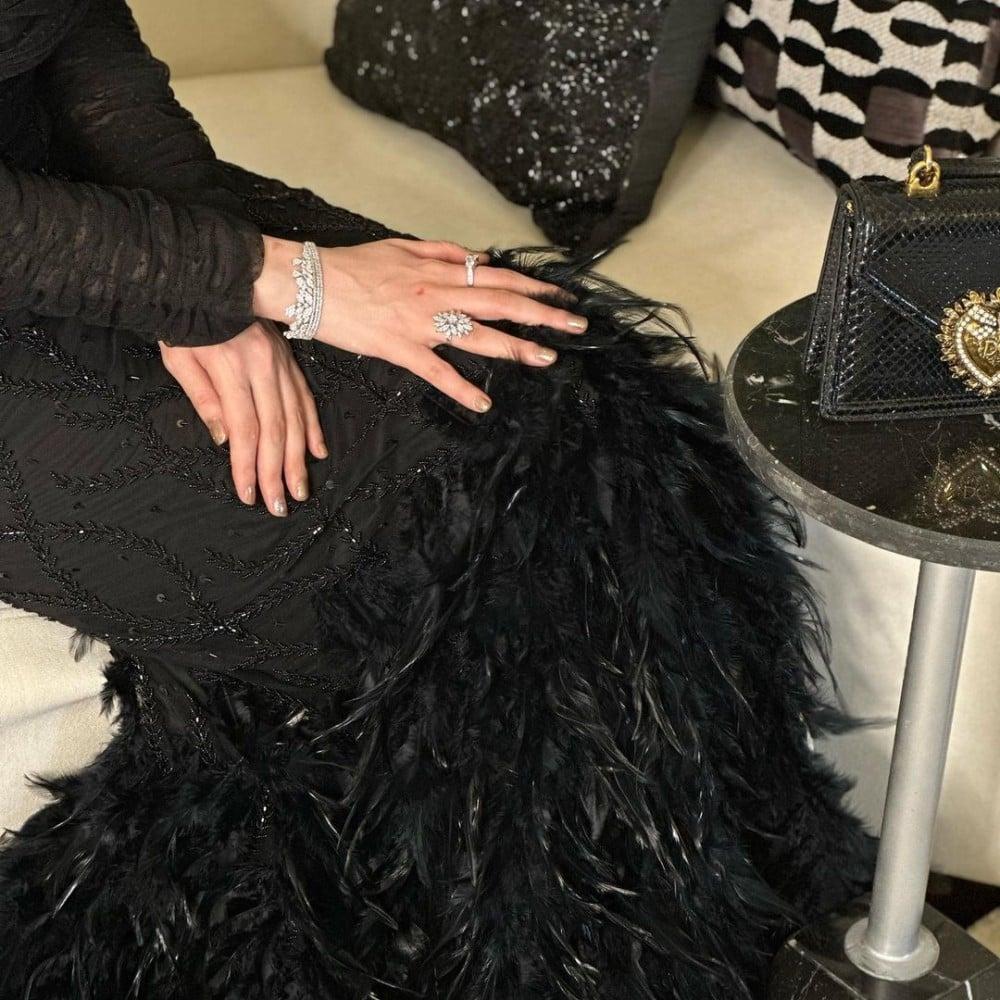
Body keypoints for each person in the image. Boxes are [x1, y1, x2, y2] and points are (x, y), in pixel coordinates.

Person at [0, 1, 876, 998]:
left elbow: (75, 30)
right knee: (430, 523)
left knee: (559, 383)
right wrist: (248, 279)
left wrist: (204, 281)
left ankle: (692, 908)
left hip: (99, 210)